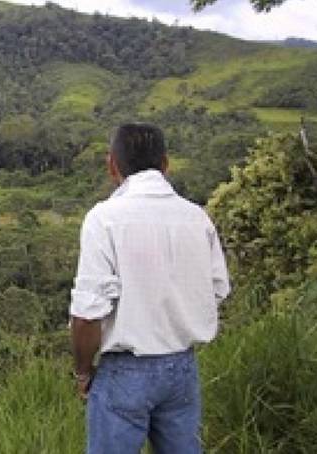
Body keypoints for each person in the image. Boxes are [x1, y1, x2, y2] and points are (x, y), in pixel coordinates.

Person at [70, 123, 230, 454]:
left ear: (112, 164)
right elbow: (216, 289)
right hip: (182, 368)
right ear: (165, 163)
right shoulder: (196, 217)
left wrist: (83, 372)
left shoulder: (104, 219)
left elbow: (87, 315)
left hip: (125, 370)